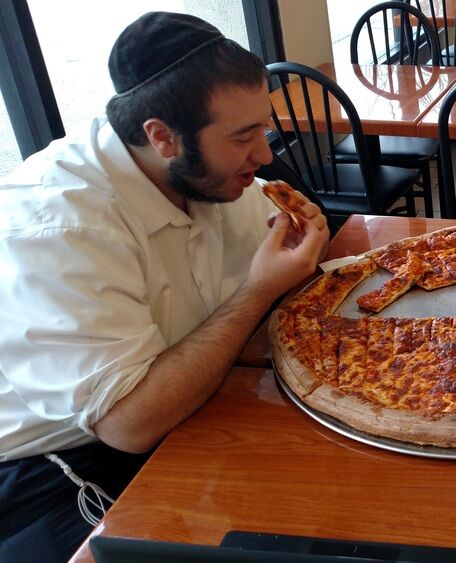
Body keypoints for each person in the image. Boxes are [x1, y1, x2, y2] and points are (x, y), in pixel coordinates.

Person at [0, 12, 329, 562]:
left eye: (263, 129)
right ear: (162, 137)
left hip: (189, 405)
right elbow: (130, 425)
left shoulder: (209, 174)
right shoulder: (57, 226)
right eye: (243, 137)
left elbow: (280, 305)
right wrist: (256, 292)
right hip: (59, 466)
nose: (266, 157)